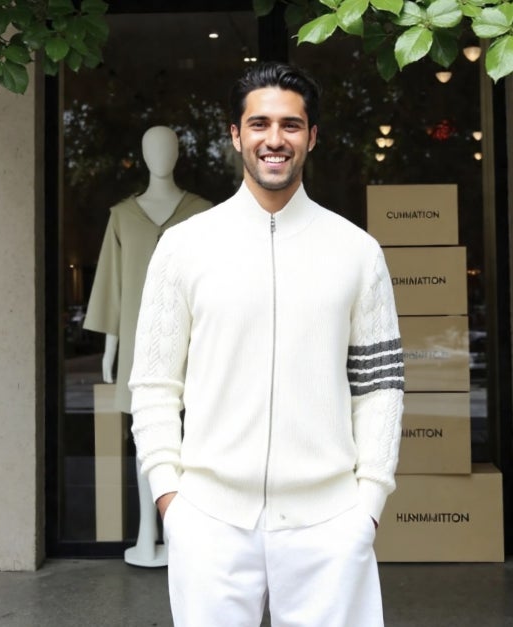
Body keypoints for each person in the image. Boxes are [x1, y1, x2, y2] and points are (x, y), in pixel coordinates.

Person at [129, 63, 404, 625]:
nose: (274, 139)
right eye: (259, 124)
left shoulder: (356, 252)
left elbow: (380, 388)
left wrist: (367, 507)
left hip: (330, 524)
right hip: (209, 521)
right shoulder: (183, 248)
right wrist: (170, 501)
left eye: (290, 125)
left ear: (312, 136)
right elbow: (155, 384)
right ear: (236, 135)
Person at [83, 125, 212, 567]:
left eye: (168, 147)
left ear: (178, 154)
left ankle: (181, 536)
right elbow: (113, 287)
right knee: (147, 440)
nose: (161, 155)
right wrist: (110, 349)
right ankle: (145, 532)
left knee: (190, 439)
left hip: (194, 345)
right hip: (141, 347)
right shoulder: (122, 217)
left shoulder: (202, 214)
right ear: (142, 155)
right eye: (152, 148)